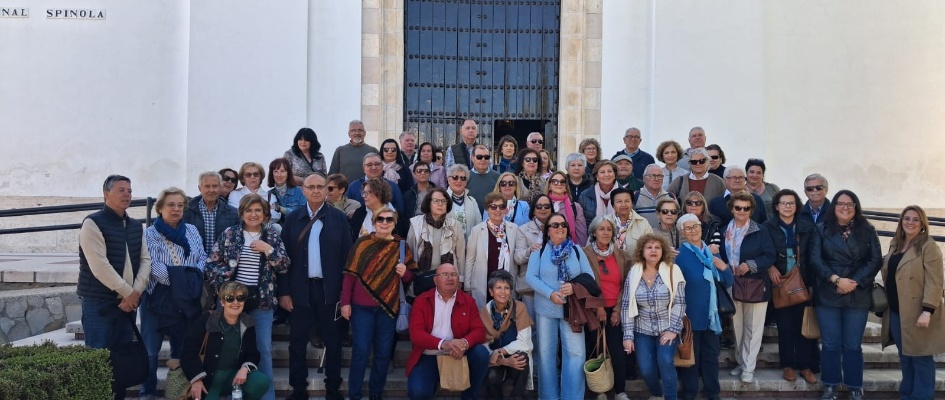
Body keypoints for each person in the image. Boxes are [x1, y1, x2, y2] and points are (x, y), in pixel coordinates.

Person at [206, 193, 290, 400]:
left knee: (263, 348)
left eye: (258, 210)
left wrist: (268, 250)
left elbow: (285, 266)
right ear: (241, 213)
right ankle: (223, 392)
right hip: (230, 302)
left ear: (265, 214)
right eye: (249, 211)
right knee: (225, 347)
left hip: (261, 302)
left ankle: (266, 396)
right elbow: (211, 264)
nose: (253, 214)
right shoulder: (230, 234)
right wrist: (226, 285)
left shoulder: (271, 236)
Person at [278, 173, 355, 400]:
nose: (315, 191)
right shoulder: (293, 219)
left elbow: (348, 258)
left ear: (327, 190)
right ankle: (298, 389)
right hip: (300, 290)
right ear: (303, 190)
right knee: (297, 342)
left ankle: (333, 389)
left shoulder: (338, 218)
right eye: (310, 187)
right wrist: (283, 291)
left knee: (333, 341)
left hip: (330, 290)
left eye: (321, 187)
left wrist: (345, 294)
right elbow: (283, 260)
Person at [78, 174, 151, 400]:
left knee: (121, 363)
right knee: (98, 360)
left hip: (127, 305)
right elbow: (99, 266)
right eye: (121, 190)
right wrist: (129, 293)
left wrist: (135, 293)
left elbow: (146, 261)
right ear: (106, 193)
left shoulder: (136, 224)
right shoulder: (93, 223)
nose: (127, 194)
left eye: (129, 190)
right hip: (100, 303)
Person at [809, 190, 881, 400]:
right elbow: (815, 259)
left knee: (852, 345)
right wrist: (836, 280)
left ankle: (854, 386)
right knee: (830, 343)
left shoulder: (868, 229)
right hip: (829, 291)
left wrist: (854, 282)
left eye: (850, 204)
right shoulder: (821, 229)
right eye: (841, 204)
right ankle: (830, 385)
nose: (845, 207)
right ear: (834, 207)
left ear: (856, 207)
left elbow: (875, 260)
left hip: (857, 292)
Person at [341, 207, 418, 400]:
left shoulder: (401, 246)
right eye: (380, 219)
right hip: (361, 308)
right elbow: (350, 276)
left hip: (389, 308)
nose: (384, 223)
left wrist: (405, 273)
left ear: (394, 223)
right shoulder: (362, 244)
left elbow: (411, 276)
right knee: (361, 351)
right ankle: (354, 394)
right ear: (374, 222)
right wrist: (345, 303)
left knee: (384, 354)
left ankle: (376, 393)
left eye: (389, 220)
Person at [140, 187, 207, 400]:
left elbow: (201, 258)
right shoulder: (150, 234)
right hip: (158, 299)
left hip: (186, 301)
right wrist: (185, 281)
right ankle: (147, 391)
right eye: (171, 205)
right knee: (151, 351)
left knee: (181, 349)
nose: (176, 209)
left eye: (180, 205)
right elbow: (153, 266)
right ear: (159, 208)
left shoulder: (192, 231)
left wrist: (191, 280)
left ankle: (177, 392)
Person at [525, 212, 594, 400]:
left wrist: (574, 287)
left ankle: (572, 397)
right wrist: (550, 293)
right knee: (546, 356)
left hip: (571, 311)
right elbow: (530, 277)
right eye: (555, 225)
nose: (560, 228)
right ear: (548, 230)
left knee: (576, 354)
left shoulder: (577, 251)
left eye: (563, 225)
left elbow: (589, 277)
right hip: (546, 309)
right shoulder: (539, 252)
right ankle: (548, 396)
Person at [881, 205, 945, 400]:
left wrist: (927, 311)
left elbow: (935, 281)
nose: (910, 222)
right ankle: (907, 395)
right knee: (905, 357)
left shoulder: (928, 246)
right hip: (896, 311)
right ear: (901, 221)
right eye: (906, 218)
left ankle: (922, 396)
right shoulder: (896, 244)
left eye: (915, 219)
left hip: (919, 312)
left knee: (921, 358)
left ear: (922, 223)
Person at [406, 263, 490, 400]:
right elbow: (416, 334)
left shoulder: (468, 301)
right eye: (444, 275)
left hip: (459, 354)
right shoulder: (422, 300)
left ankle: (470, 395)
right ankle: (432, 386)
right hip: (429, 355)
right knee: (418, 393)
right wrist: (444, 344)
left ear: (458, 279)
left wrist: (464, 343)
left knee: (481, 353)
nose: (449, 278)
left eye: (453, 275)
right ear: (435, 280)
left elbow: (479, 331)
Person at [719, 191, 775, 383]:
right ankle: (741, 363)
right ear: (731, 209)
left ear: (752, 210)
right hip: (733, 283)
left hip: (755, 284)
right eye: (738, 208)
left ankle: (749, 367)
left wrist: (750, 265)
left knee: (754, 327)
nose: (742, 211)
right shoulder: (725, 229)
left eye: (746, 208)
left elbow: (769, 256)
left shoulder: (760, 230)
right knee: (737, 327)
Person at [763, 189, 818, 384]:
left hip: (802, 282)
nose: (787, 206)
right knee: (785, 327)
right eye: (784, 203)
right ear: (776, 206)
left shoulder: (806, 227)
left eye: (791, 203)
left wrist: (812, 283)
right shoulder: (767, 227)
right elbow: (763, 251)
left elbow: (813, 255)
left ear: (797, 206)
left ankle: (805, 366)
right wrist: (769, 267)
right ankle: (787, 365)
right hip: (779, 284)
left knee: (802, 327)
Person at [622, 234, 686, 400]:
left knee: (665, 361)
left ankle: (671, 398)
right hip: (642, 330)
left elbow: (680, 302)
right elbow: (626, 305)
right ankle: (657, 394)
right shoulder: (633, 273)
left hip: (667, 327)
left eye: (657, 247)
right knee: (646, 369)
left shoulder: (673, 270)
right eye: (649, 247)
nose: (653, 251)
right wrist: (628, 335)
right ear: (642, 251)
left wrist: (673, 330)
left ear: (663, 251)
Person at [181, 282, 271, 400]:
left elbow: (252, 353)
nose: (235, 302)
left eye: (240, 298)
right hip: (208, 379)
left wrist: (245, 369)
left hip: (233, 377)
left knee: (261, 381)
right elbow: (188, 352)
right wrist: (196, 380)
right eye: (230, 298)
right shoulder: (207, 320)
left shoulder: (248, 323)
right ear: (222, 302)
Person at [675, 213, 731, 400]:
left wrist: (722, 266)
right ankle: (689, 393)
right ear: (682, 232)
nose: (693, 231)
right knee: (691, 359)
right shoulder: (678, 255)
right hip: (690, 316)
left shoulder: (711, 251)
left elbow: (728, 281)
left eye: (696, 226)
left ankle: (713, 392)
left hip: (712, 316)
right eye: (688, 228)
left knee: (711, 357)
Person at [583, 216, 633, 400]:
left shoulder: (621, 255)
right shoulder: (584, 253)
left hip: (615, 309)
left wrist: (618, 309)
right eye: (601, 229)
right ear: (594, 232)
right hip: (593, 309)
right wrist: (599, 307)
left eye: (608, 229)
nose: (605, 232)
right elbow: (584, 283)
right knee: (595, 349)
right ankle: (600, 390)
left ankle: (620, 391)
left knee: (617, 350)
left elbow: (626, 283)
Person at [466, 192, 531, 306]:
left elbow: (517, 257)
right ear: (487, 209)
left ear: (506, 209)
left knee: (507, 318)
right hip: (483, 284)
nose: (498, 210)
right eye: (493, 206)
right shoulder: (477, 230)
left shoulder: (514, 229)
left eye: (501, 206)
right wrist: (467, 285)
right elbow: (469, 260)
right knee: (485, 318)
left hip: (507, 285)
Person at [478, 270, 534, 400]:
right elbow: (482, 345)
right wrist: (503, 360)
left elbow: (525, 342)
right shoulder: (484, 313)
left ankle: (518, 396)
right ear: (491, 291)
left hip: (512, 356)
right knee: (491, 376)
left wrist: (501, 351)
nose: (503, 292)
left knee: (521, 358)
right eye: (498, 288)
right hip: (495, 360)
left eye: (506, 288)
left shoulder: (519, 308)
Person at [406, 187, 466, 295]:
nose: (440, 204)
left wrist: (461, 279)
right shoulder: (416, 223)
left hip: (448, 279)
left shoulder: (454, 225)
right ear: (429, 203)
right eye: (436, 201)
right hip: (423, 279)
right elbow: (409, 253)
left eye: (443, 201)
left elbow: (460, 256)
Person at [184, 171, 240, 255]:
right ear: (200, 188)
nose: (211, 190)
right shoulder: (187, 212)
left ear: (220, 187)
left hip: (221, 265)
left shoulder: (233, 213)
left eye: (215, 186)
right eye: (207, 186)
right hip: (194, 264)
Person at [546, 170, 588, 245]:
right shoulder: (543, 205)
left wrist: (578, 252)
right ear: (549, 185)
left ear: (566, 187)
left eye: (562, 182)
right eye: (555, 181)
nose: (559, 184)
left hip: (569, 250)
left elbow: (582, 236)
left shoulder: (575, 208)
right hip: (546, 249)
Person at [609, 188, 653, 253]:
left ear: (632, 203)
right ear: (613, 205)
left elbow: (651, 247)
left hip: (636, 262)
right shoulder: (604, 222)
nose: (623, 205)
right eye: (619, 201)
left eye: (627, 201)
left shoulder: (643, 223)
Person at [635, 164, 677, 228]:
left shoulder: (670, 197)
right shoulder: (635, 196)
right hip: (643, 237)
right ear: (644, 178)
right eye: (652, 176)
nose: (656, 179)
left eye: (660, 176)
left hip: (665, 237)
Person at [446, 164, 481, 237]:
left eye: (463, 178)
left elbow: (478, 224)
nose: (459, 181)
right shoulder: (442, 200)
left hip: (469, 245)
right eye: (455, 177)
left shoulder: (472, 201)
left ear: (466, 183)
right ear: (449, 180)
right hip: (448, 245)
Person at [267, 158, 306, 224]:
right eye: (276, 171)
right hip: (276, 233)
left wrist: (281, 209)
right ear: (272, 174)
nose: (279, 175)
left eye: (282, 171)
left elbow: (303, 214)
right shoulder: (268, 195)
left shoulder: (300, 191)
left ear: (288, 173)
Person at [468, 144, 501, 213]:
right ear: (472, 158)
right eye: (479, 157)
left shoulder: (498, 177)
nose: (483, 160)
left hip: (492, 217)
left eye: (486, 157)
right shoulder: (465, 177)